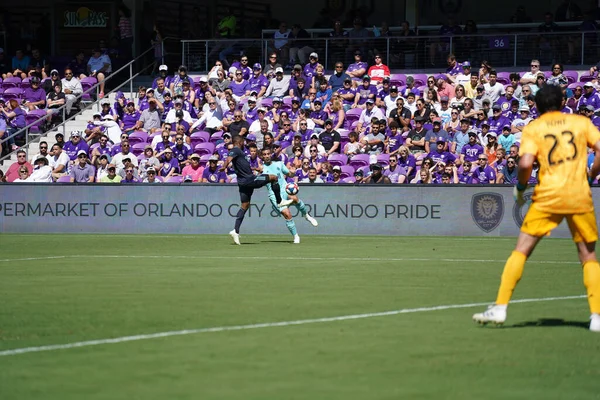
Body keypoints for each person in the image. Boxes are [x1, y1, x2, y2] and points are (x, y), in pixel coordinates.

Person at [473, 85, 600, 332]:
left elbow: (526, 162)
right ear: (563, 102)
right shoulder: (581, 122)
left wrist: (520, 187)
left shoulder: (533, 128)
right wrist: (593, 174)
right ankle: (596, 316)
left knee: (521, 251)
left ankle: (500, 307)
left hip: (548, 196)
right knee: (588, 256)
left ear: (538, 106)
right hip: (578, 194)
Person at [220, 136, 293, 245]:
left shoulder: (240, 153)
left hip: (243, 183)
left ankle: (235, 230)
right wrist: (224, 167)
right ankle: (280, 201)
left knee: (244, 205)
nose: (244, 143)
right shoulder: (236, 150)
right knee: (274, 177)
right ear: (239, 142)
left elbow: (243, 167)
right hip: (249, 180)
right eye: (243, 142)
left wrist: (255, 169)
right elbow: (228, 159)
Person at [261, 147, 318, 243]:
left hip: (284, 189)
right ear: (262, 156)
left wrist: (292, 172)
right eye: (264, 154)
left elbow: (290, 174)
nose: (266, 156)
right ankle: (296, 236)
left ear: (271, 154)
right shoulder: (262, 169)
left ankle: (306, 215)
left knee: (295, 198)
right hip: (274, 195)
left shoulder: (279, 164)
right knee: (287, 214)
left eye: (268, 154)